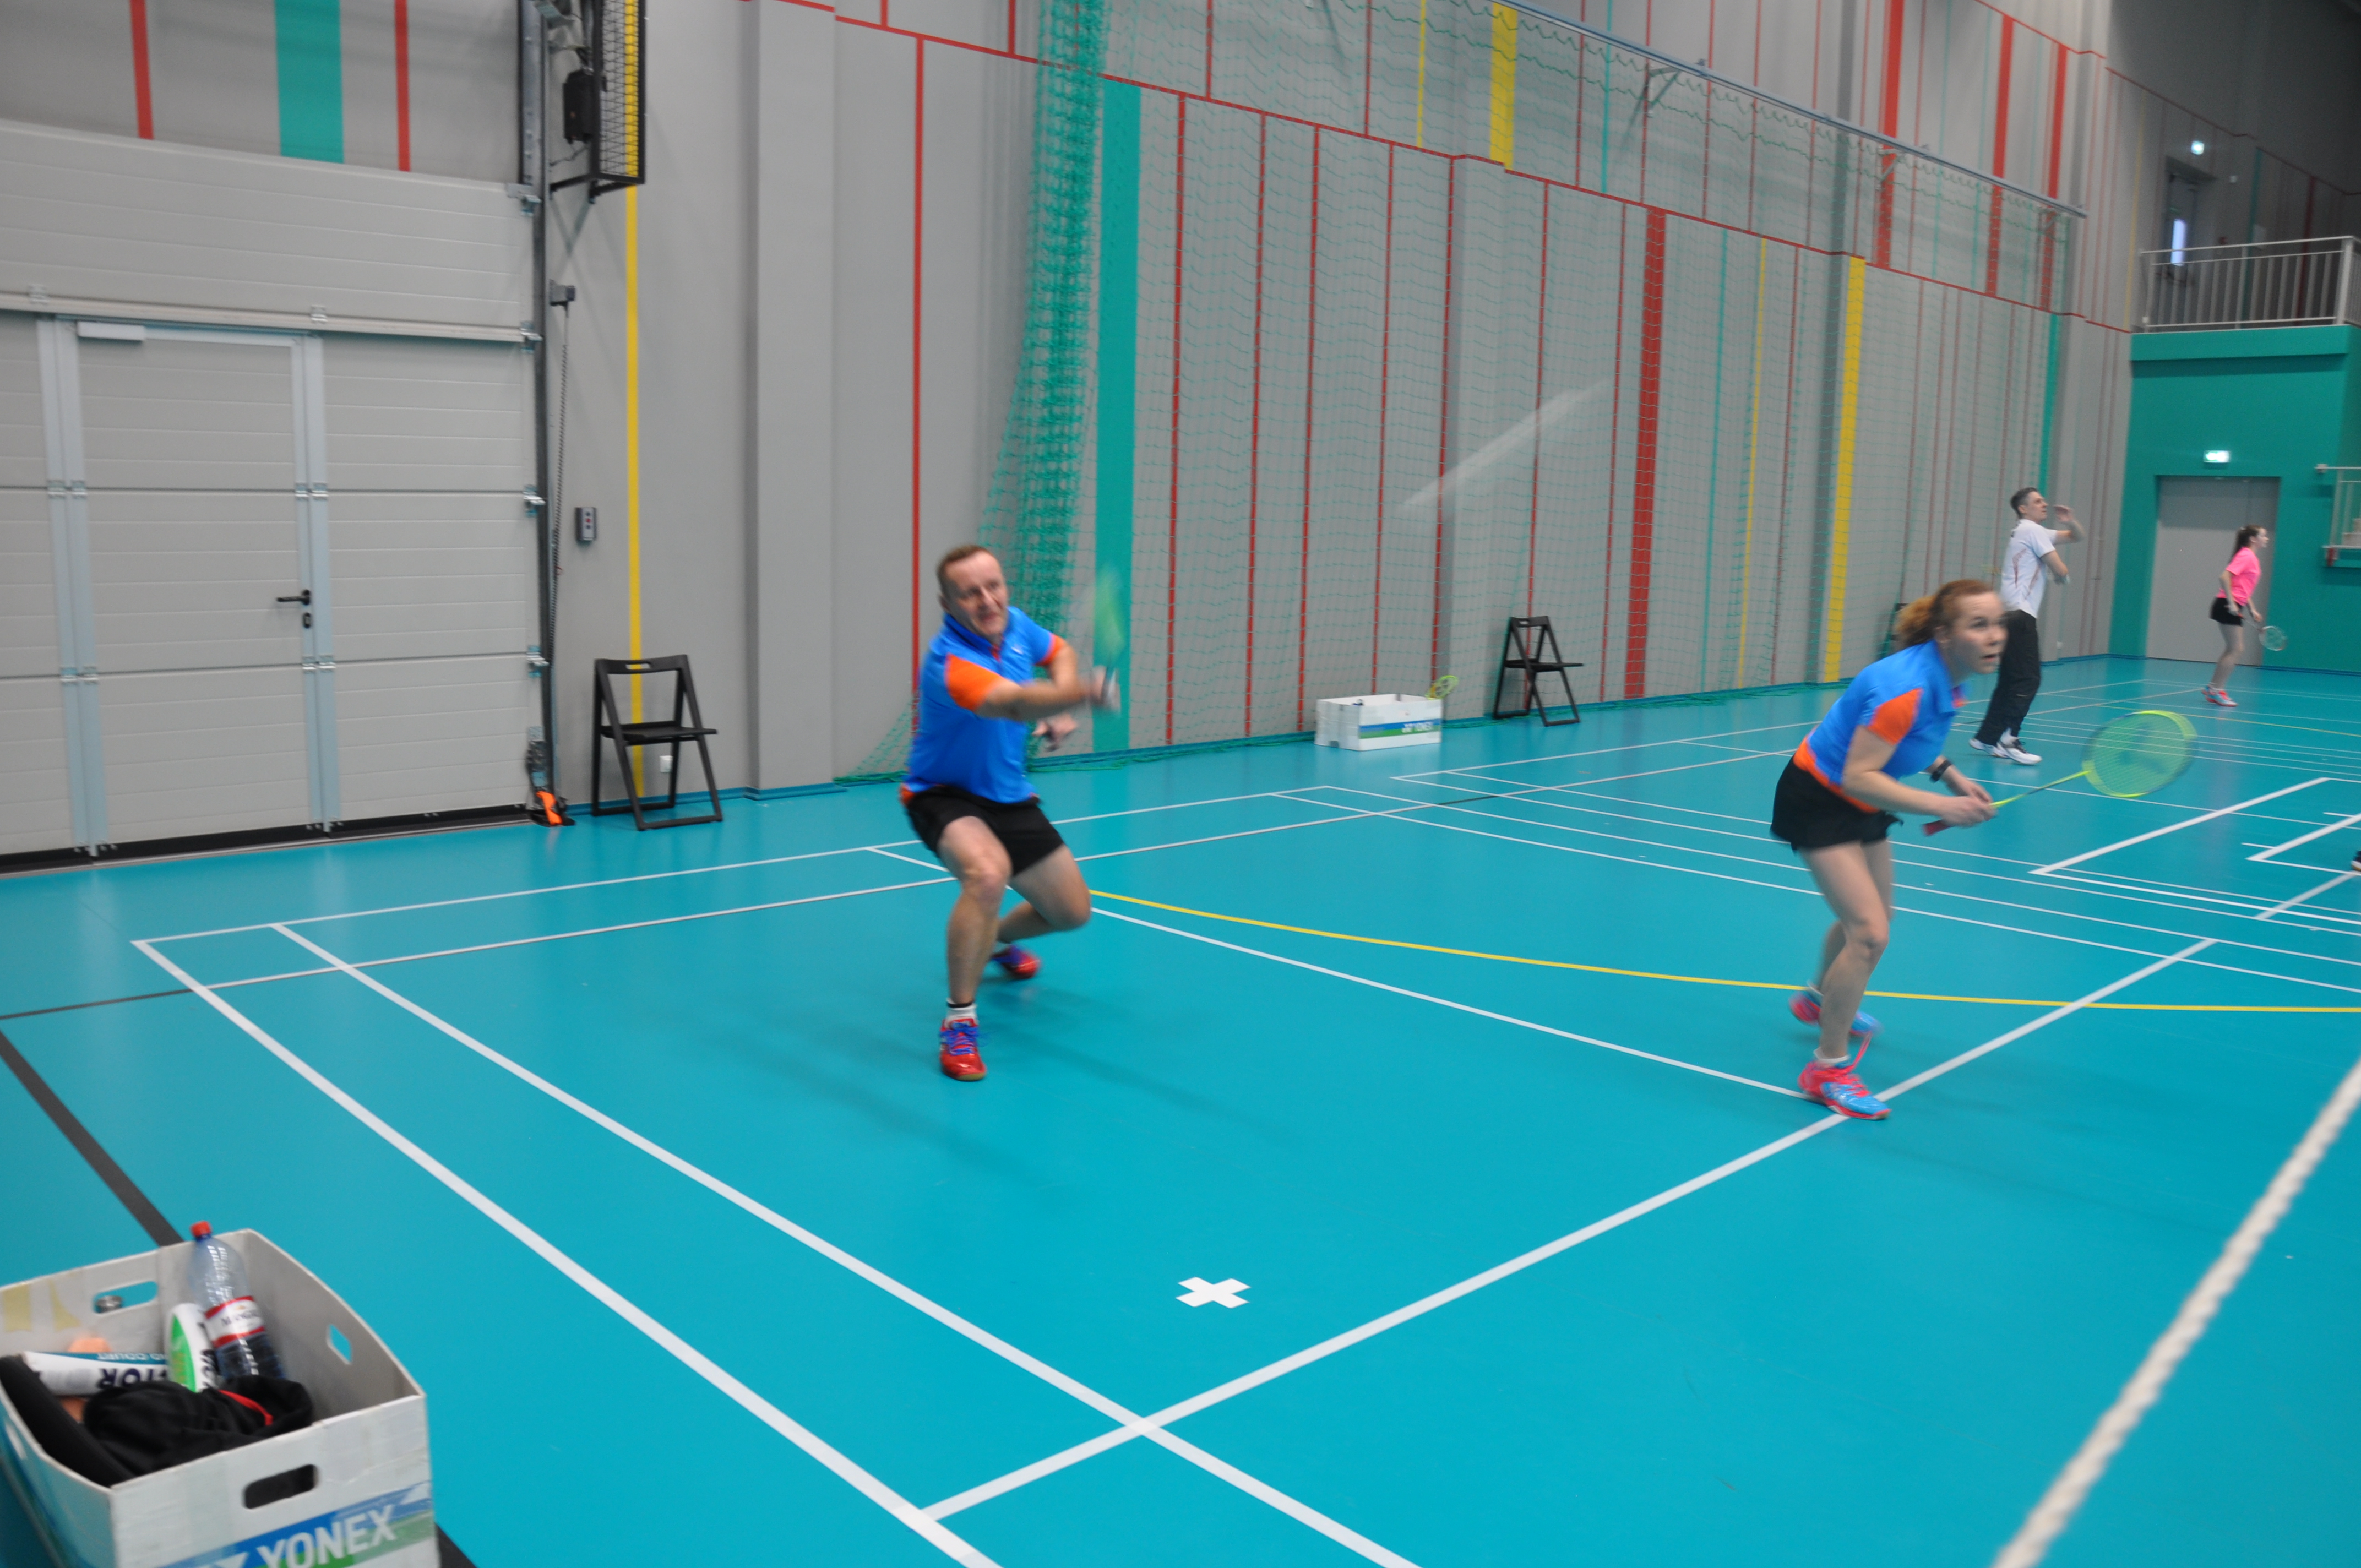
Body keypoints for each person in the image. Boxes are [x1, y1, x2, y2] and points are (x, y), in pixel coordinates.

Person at [1771, 579, 2004, 1119]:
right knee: (1870, 933)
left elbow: (1911, 741)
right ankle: (1826, 1069)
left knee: (1876, 916)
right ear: (1944, 635)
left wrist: (1950, 775)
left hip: (1861, 794)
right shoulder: (1905, 688)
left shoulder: (1949, 675)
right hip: (1821, 796)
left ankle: (1817, 998)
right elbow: (1859, 774)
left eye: (1998, 624)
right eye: (1979, 625)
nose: (1995, 636)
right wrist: (1942, 806)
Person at [904, 545, 1117, 1082]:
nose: (987, 600)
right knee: (987, 873)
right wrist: (1080, 694)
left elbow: (1059, 649)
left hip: (1008, 794)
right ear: (947, 604)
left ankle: (992, 938)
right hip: (942, 793)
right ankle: (959, 1022)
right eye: (969, 593)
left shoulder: (1016, 625)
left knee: (1071, 913)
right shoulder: (950, 665)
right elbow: (1013, 703)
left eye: (993, 586)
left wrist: (1061, 696)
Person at [1972, 487, 2079, 765]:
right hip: (2020, 615)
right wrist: (2062, 576)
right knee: (2029, 679)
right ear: (2023, 509)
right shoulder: (2032, 530)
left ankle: (1987, 738)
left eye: (2044, 500)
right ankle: (2010, 738)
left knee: (2010, 680)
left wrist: (2070, 522)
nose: (2044, 504)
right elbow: (2060, 568)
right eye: (2038, 501)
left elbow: (2076, 536)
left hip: (2007, 615)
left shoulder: (2030, 531)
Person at [2202, 525, 2270, 707]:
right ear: (2253, 539)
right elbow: (2224, 577)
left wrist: (2252, 609)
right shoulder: (2246, 555)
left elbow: (2242, 587)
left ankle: (2214, 688)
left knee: (2233, 649)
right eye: (2263, 536)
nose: (2267, 539)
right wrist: (2232, 603)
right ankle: (2215, 690)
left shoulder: (2250, 557)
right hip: (2226, 605)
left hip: (2232, 604)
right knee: (2236, 649)